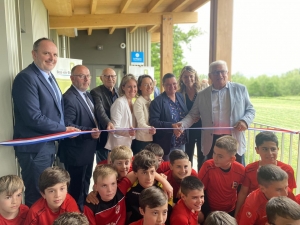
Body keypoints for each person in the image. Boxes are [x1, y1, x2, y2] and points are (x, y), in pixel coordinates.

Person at [11, 37, 78, 207]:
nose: (51, 58)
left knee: (49, 195)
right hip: (35, 149)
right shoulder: (26, 78)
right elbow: (33, 117)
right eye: (46, 53)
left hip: (48, 146)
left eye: (55, 54)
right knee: (37, 195)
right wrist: (63, 129)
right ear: (34, 54)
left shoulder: (49, 76)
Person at [180, 60, 255, 165]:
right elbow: (193, 115)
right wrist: (181, 125)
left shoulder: (240, 89)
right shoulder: (202, 94)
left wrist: (245, 121)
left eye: (222, 71)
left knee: (237, 173)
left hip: (234, 139)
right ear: (210, 75)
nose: (219, 75)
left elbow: (250, 110)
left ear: (227, 73)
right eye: (215, 72)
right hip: (211, 141)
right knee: (212, 172)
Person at [58, 65, 100, 211]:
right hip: (76, 153)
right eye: (82, 76)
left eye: (88, 75)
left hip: (88, 150)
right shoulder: (69, 98)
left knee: (85, 185)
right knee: (76, 189)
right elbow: (68, 125)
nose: (86, 79)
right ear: (72, 78)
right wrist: (90, 132)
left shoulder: (87, 95)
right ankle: (74, 216)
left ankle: (83, 213)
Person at [234, 131, 296, 217]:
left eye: (273, 149)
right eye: (265, 149)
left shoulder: (287, 170)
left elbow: (288, 194)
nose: (270, 153)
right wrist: (237, 214)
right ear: (257, 150)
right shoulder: (250, 169)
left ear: (278, 149)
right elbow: (243, 193)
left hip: (276, 211)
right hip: (253, 211)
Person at [198, 136, 245, 215]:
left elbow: (242, 192)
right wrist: (199, 211)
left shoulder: (240, 170)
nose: (215, 158)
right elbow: (198, 189)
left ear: (232, 159)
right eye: (214, 153)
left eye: (220, 156)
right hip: (210, 210)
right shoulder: (208, 166)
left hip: (231, 210)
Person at [126, 150, 173, 225]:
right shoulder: (130, 188)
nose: (149, 177)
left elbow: (168, 212)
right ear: (135, 173)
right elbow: (127, 214)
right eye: (144, 172)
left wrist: (164, 182)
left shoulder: (163, 188)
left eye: (152, 172)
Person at [149, 73, 189, 160]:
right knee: (168, 169)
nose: (172, 86)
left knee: (180, 167)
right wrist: (171, 126)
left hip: (181, 141)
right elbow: (154, 122)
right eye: (168, 84)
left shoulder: (180, 96)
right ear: (163, 85)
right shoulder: (157, 102)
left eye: (174, 84)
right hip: (167, 143)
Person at [90, 68, 119, 163]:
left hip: (118, 135)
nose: (110, 78)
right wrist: (108, 123)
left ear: (116, 78)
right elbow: (100, 110)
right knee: (104, 165)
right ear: (101, 78)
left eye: (113, 76)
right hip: (105, 134)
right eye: (107, 76)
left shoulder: (119, 92)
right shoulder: (96, 92)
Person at [178, 65, 203, 171]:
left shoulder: (202, 91)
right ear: (182, 79)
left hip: (201, 127)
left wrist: (200, 115)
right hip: (187, 129)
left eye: (191, 76)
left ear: (195, 77)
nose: (189, 79)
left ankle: (201, 179)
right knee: (187, 155)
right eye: (186, 77)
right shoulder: (179, 94)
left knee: (202, 155)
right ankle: (188, 177)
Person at [105, 74, 137, 150]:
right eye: (129, 87)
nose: (133, 89)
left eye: (135, 86)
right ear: (123, 87)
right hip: (118, 145)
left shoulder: (133, 103)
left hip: (128, 144)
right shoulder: (119, 102)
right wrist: (128, 132)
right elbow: (114, 128)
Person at [132, 75, 156, 154]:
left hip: (151, 139)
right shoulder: (139, 102)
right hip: (142, 141)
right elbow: (141, 123)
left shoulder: (151, 101)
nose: (149, 87)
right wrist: (150, 128)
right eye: (146, 85)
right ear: (140, 87)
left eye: (151, 84)